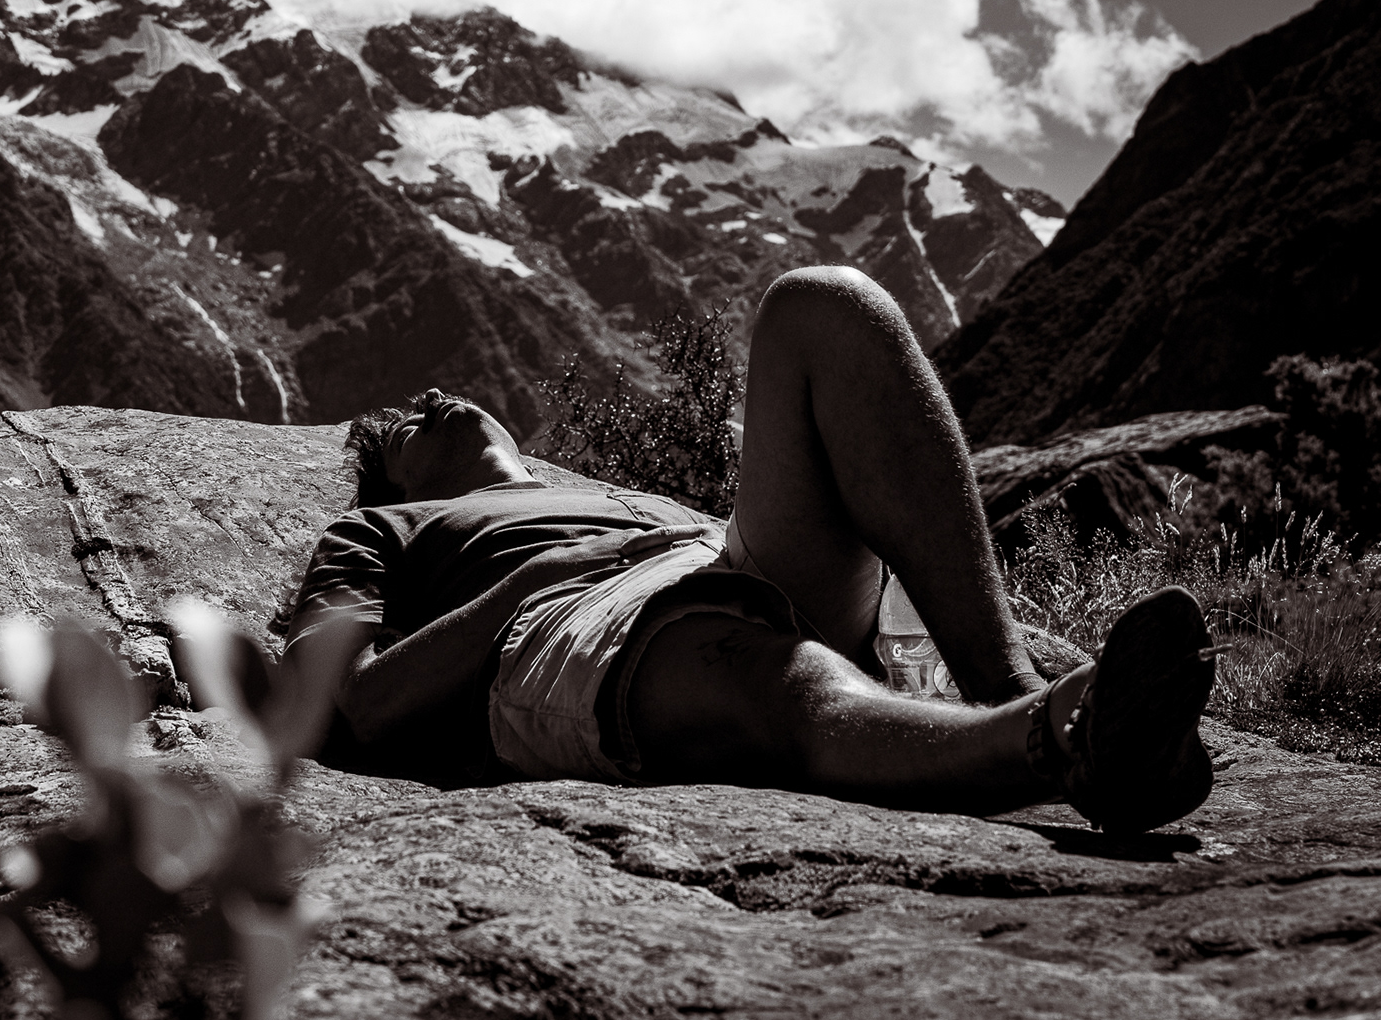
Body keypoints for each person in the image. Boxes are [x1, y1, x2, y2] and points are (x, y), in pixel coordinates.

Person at [283, 266, 1219, 833]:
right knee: (759, 670)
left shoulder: (603, 492)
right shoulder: (379, 530)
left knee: (824, 305)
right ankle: (1055, 739)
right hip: (572, 623)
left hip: (713, 558)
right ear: (399, 486)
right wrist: (530, 579)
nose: (430, 401)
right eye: (402, 426)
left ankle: (1010, 684)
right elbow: (354, 704)